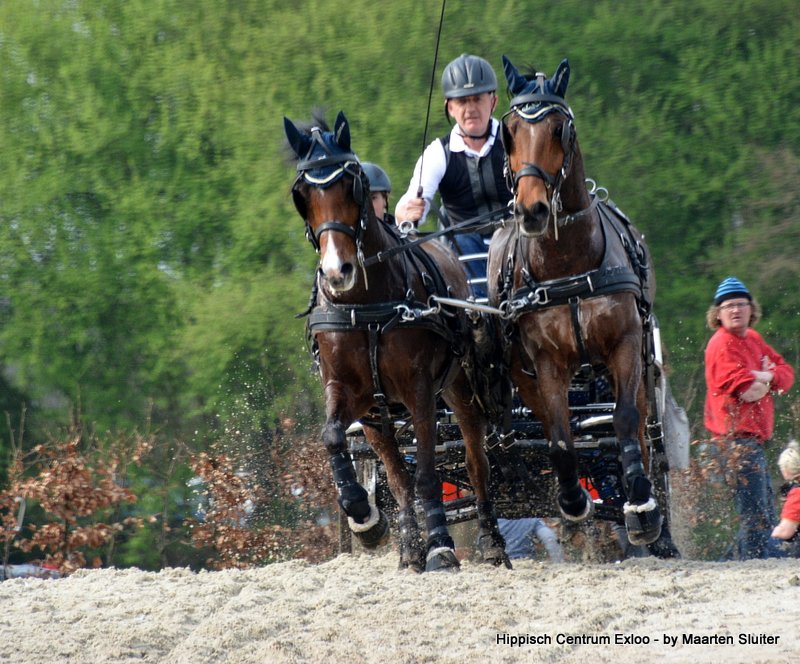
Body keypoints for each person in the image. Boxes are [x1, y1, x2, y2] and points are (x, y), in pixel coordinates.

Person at [394, 53, 512, 297]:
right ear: (450, 107)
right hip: (466, 255)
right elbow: (412, 202)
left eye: (477, 99)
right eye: (462, 101)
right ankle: (479, 313)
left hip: (515, 245)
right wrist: (407, 212)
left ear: (493, 102)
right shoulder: (438, 153)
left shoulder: (515, 141)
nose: (470, 109)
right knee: (461, 241)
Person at [703, 276, 794, 559]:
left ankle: (730, 565)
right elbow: (750, 392)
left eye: (741, 304)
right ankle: (746, 565)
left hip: (752, 443)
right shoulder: (722, 344)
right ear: (717, 314)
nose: (735, 310)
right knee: (756, 518)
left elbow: (787, 374)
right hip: (733, 445)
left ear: (751, 309)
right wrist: (768, 378)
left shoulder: (753, 338)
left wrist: (763, 374)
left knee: (762, 515)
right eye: (728, 306)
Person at [771, 440, 800, 556]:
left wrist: (773, 532)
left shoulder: (797, 493)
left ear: (786, 470)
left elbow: (785, 531)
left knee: (770, 542)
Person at [497, 517, 564, 562]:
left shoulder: (494, 521)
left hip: (500, 564)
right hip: (527, 563)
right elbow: (550, 538)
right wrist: (558, 562)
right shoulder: (532, 520)